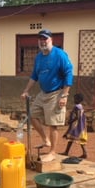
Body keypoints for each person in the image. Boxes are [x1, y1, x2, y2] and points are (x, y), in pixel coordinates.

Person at [21, 29, 73, 162]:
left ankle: (52, 152)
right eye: (40, 39)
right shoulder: (39, 57)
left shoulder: (59, 54)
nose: (43, 41)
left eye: (45, 39)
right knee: (31, 115)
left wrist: (64, 95)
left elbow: (68, 73)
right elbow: (34, 76)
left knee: (53, 124)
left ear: (51, 40)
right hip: (43, 93)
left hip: (57, 93)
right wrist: (26, 90)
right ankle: (46, 140)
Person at [61, 93, 88, 158]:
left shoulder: (77, 107)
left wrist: (71, 121)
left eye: (75, 99)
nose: (74, 100)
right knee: (72, 139)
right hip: (80, 125)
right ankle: (67, 152)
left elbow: (78, 116)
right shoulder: (80, 106)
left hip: (76, 125)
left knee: (74, 138)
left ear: (79, 100)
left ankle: (84, 152)